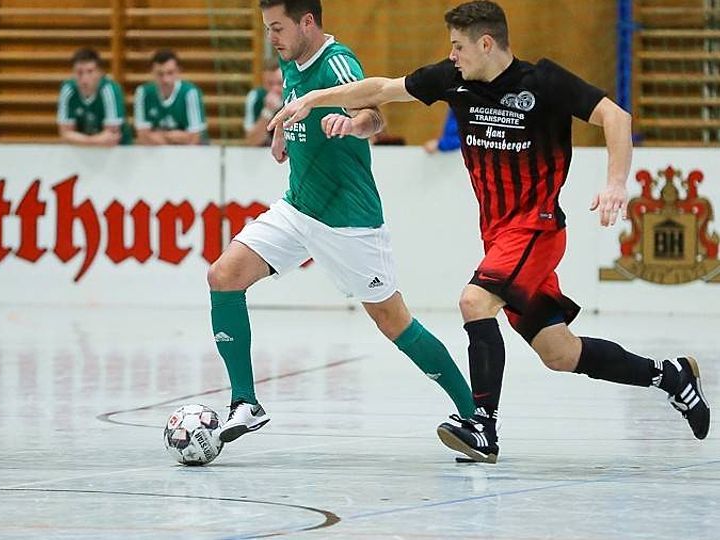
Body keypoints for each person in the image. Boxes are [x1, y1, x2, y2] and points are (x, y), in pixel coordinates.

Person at [269, 0, 710, 463]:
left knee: (474, 301)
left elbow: (617, 117)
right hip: (501, 238)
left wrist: (616, 183)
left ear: (485, 43)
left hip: (537, 229)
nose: (451, 55)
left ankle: (483, 426)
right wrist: (311, 100)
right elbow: (382, 88)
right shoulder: (453, 79)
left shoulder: (543, 82)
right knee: (560, 353)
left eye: (458, 46)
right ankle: (671, 376)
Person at [209, 0, 475, 444]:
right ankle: (245, 403)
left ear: (307, 22)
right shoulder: (290, 57)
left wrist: (352, 126)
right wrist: (282, 131)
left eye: (278, 28)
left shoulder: (337, 62)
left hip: (349, 220)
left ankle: (473, 413)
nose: (271, 38)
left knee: (394, 322)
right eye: (267, 28)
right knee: (223, 275)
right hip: (298, 208)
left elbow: (374, 116)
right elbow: (295, 102)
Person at [57, 48, 131, 146]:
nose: (84, 78)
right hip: (82, 148)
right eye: (79, 72)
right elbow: (65, 134)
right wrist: (92, 141)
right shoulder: (68, 89)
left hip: (117, 150)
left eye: (90, 72)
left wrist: (78, 139)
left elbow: (112, 137)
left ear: (100, 73)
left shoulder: (110, 89)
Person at [134, 50, 208, 145]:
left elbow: (195, 138)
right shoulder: (143, 93)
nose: (165, 79)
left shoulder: (190, 93)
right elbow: (143, 137)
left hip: (190, 151)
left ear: (178, 71)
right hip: (158, 151)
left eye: (170, 73)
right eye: (160, 74)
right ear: (152, 72)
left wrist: (161, 135)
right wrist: (177, 137)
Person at [244, 58, 284, 146]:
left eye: (280, 83)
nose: (275, 88)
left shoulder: (297, 96)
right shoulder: (255, 97)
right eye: (270, 84)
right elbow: (252, 142)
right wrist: (267, 112)